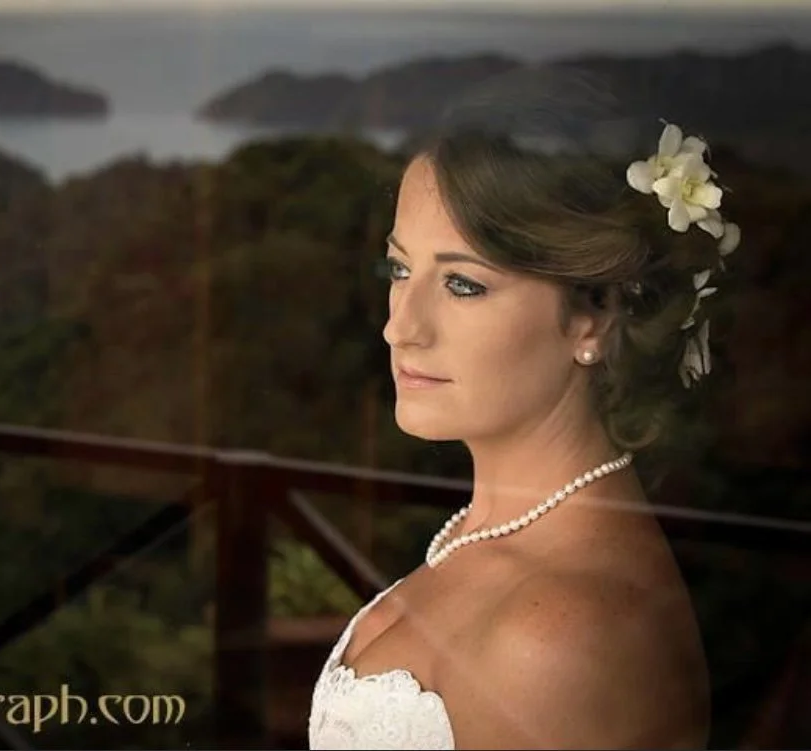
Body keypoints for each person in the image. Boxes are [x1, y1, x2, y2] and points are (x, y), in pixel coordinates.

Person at [308, 68, 739, 750]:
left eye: (461, 283)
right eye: (398, 270)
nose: (400, 327)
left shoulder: (561, 635)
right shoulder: (487, 536)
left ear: (593, 316)